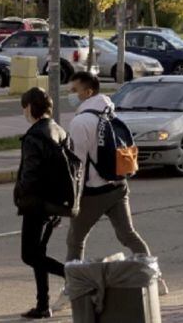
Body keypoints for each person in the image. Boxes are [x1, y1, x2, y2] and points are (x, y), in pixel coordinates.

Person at [64, 72, 153, 264]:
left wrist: (74, 200)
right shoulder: (110, 113)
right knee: (128, 235)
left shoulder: (81, 122)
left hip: (93, 193)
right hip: (118, 186)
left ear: (88, 92)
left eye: (74, 90)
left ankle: (74, 285)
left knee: (75, 241)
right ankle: (152, 275)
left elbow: (78, 164)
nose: (70, 94)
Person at [16, 87, 68, 320]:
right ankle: (42, 304)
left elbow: (30, 174)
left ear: (30, 107)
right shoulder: (58, 130)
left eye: (24, 107)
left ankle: (73, 275)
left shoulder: (35, 135)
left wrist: (21, 195)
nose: (23, 112)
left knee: (29, 255)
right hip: (54, 201)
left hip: (36, 203)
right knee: (39, 253)